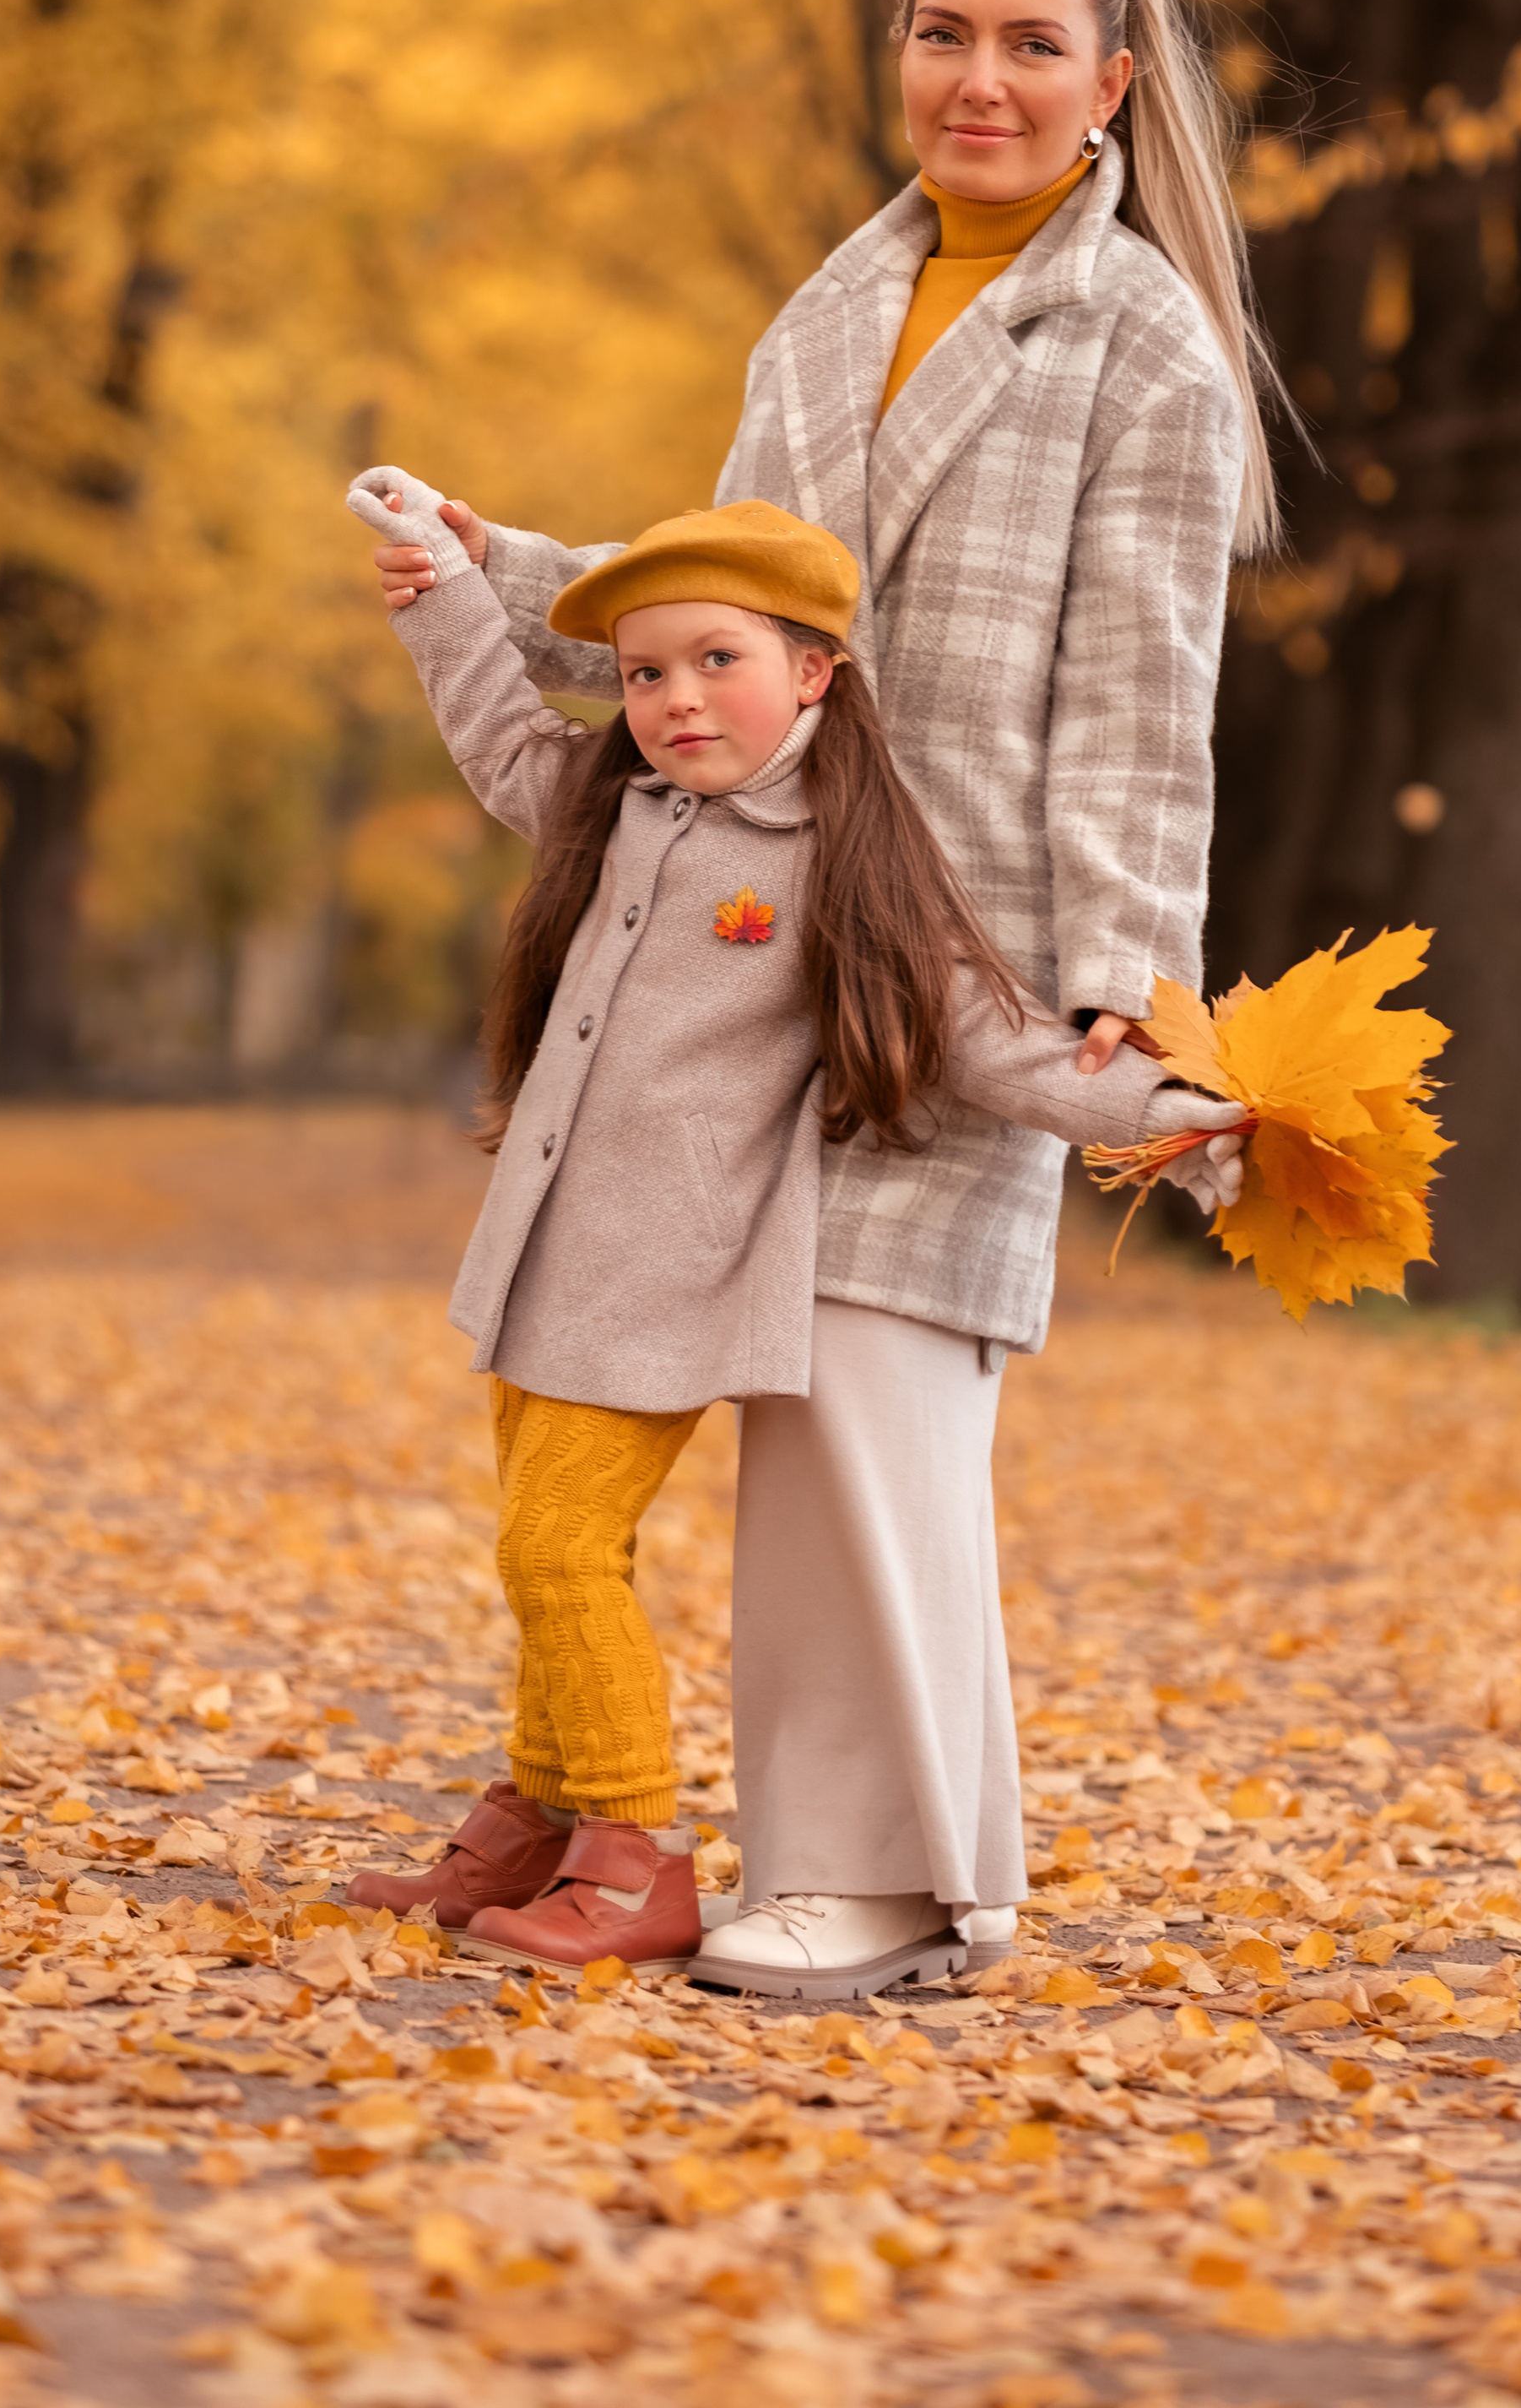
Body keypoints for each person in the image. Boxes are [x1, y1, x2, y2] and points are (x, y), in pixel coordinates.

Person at [371, 0, 1278, 1993]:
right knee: (774, 1410)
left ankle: (885, 1870)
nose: (978, 78)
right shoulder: (830, 305)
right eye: (942, 32)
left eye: (1030, 44)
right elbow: (725, 618)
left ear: (1113, 83)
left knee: (876, 1404)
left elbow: (1143, 708)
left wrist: (1120, 1009)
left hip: (945, 943)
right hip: (757, 910)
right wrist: (511, 573)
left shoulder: (1139, 347)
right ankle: (692, 1823)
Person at [342, 484, 1240, 1992]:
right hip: (546, 1247)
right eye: (642, 674)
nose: (675, 701)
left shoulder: (836, 857)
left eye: (716, 663)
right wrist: (442, 593)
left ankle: (628, 1854)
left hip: (670, 1269)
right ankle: (538, 1818)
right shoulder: (611, 808)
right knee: (552, 1538)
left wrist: (1175, 1105)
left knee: (556, 1550)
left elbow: (982, 1034)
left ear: (813, 673)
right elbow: (505, 739)